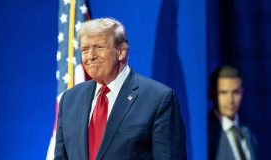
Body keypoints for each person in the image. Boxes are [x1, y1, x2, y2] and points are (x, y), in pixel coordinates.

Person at [54, 18, 186, 160]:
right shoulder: (69, 100)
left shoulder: (158, 99)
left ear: (122, 51)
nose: (90, 56)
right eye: (85, 49)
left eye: (99, 47)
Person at [208, 66, 257, 160]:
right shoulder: (207, 133)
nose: (230, 100)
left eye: (236, 92)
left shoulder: (249, 133)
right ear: (212, 93)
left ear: (242, 92)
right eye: (223, 92)